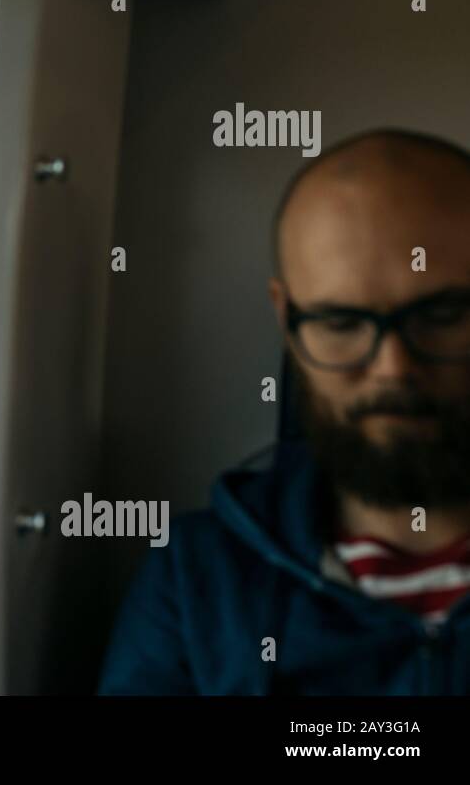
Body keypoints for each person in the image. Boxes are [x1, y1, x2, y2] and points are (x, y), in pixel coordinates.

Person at [98, 129, 470, 694]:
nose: (393, 369)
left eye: (442, 314)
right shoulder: (197, 583)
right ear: (287, 321)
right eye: (341, 323)